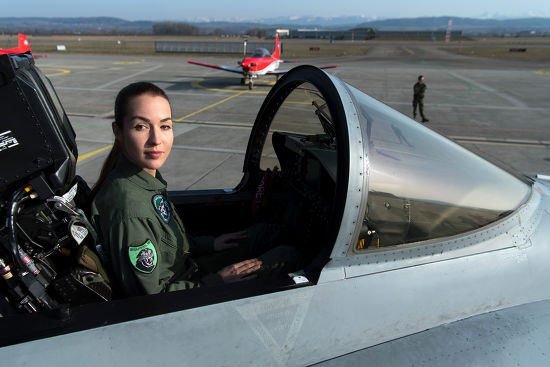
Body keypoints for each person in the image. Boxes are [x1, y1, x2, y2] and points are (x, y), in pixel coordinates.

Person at [90, 82, 298, 296]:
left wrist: (210, 245)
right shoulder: (130, 210)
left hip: (189, 267)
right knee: (288, 255)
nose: (156, 140)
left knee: (269, 231)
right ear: (118, 131)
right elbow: (151, 300)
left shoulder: (141, 179)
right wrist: (217, 282)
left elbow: (167, 244)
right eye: (141, 127)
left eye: (164, 126)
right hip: (189, 290)